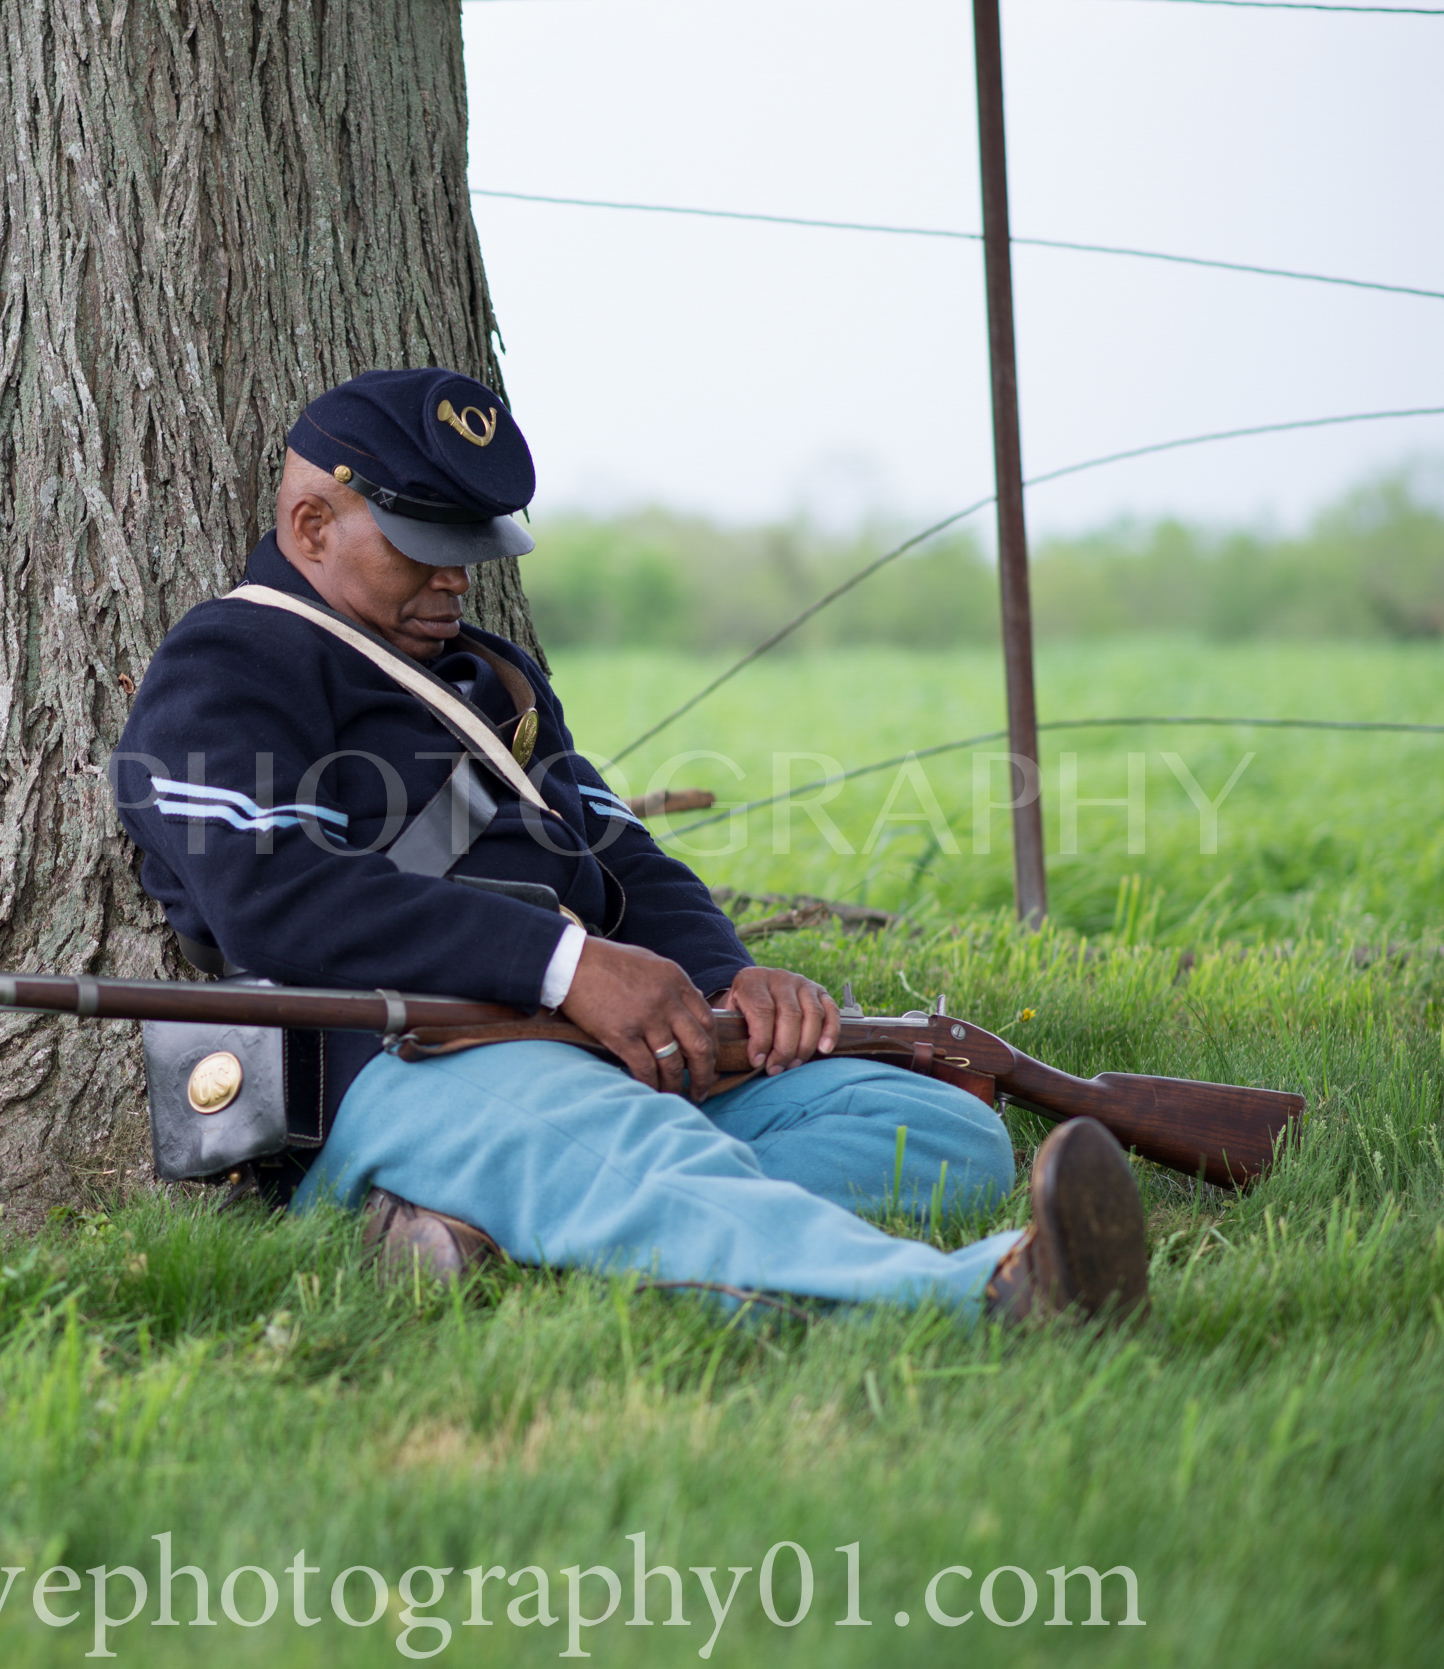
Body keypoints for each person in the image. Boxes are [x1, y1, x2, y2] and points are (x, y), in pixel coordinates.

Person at [112, 367, 1148, 1322]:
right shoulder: (233, 657)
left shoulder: (489, 678)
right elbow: (271, 897)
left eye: (466, 548)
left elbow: (618, 853)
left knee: (936, 1131)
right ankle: (980, 1298)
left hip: (582, 1048)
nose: (457, 579)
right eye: (422, 546)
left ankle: (525, 1234)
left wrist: (727, 978)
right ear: (311, 524)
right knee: (644, 1151)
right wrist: (566, 964)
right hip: (407, 1058)